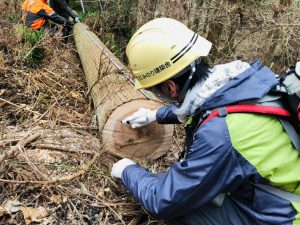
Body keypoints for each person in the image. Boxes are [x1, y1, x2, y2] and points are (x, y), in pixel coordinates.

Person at [110, 18, 300, 225]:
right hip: (275, 192)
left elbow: (162, 201)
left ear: (170, 88)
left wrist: (128, 170)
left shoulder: (221, 134)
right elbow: (204, 108)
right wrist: (154, 115)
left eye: (153, 89)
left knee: (181, 209)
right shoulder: (240, 81)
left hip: (285, 216)